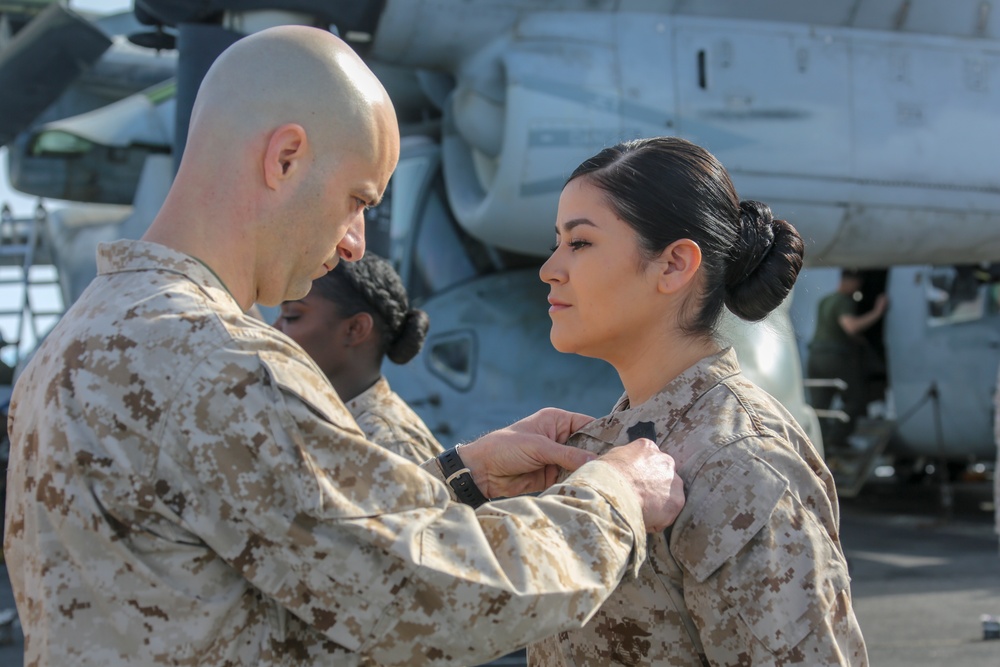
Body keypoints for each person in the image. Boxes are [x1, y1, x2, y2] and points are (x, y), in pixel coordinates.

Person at [2, 26, 687, 666]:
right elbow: (428, 596)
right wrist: (615, 497)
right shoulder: (222, 363)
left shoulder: (82, 337)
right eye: (357, 198)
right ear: (286, 157)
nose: (356, 240)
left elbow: (261, 537)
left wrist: (459, 477)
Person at [530, 136, 868, 665]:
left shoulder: (742, 465)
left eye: (579, 243)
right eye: (558, 242)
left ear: (673, 266)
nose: (551, 268)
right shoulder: (608, 446)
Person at [274, 253, 443, 463]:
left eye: (292, 316)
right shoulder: (333, 419)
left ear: (355, 329)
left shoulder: (391, 448)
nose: (274, 329)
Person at [808, 269, 889, 452]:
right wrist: (877, 312)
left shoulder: (826, 300)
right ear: (851, 281)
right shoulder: (844, 301)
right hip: (834, 358)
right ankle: (837, 440)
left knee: (820, 408)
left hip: (815, 357)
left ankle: (819, 448)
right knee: (856, 399)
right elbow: (850, 326)